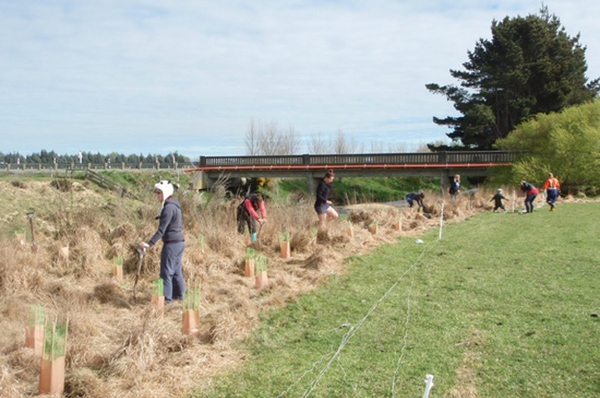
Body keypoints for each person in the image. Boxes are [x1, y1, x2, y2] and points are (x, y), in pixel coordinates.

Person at [139, 180, 185, 304]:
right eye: (156, 193)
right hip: (179, 243)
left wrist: (149, 244)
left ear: (165, 192)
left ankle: (167, 301)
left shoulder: (169, 208)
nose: (157, 195)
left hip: (172, 244)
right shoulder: (173, 205)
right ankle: (180, 298)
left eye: (159, 192)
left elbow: (161, 230)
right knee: (176, 271)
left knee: (166, 273)